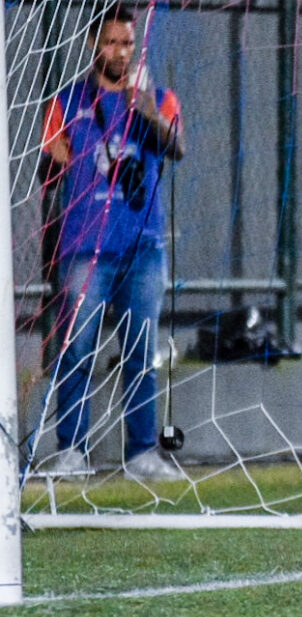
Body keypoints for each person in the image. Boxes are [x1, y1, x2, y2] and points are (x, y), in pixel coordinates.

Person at [37, 7, 187, 480]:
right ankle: (71, 452)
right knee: (75, 349)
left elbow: (177, 148)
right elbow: (46, 169)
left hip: (143, 248)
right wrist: (55, 159)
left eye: (126, 43)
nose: (119, 52)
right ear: (92, 46)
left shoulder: (158, 99)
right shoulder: (66, 101)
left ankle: (141, 452)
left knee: (140, 352)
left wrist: (147, 115)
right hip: (84, 247)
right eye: (110, 43)